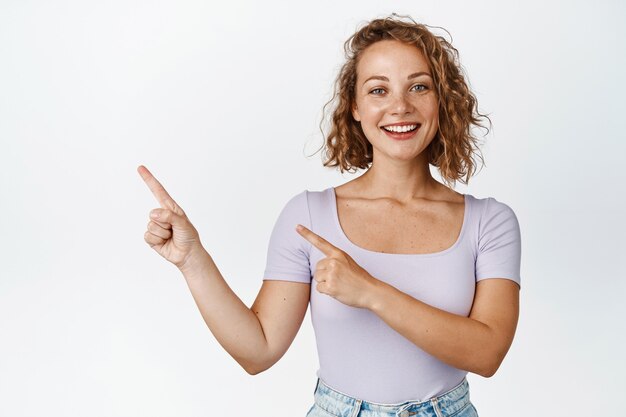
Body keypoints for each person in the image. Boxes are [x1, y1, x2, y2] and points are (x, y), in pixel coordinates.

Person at [138, 14, 521, 417]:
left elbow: (487, 354)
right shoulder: (308, 215)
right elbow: (259, 351)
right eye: (378, 90)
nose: (400, 106)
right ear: (355, 107)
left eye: (419, 86)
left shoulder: (489, 222)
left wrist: (371, 293)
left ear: (441, 99)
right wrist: (191, 260)